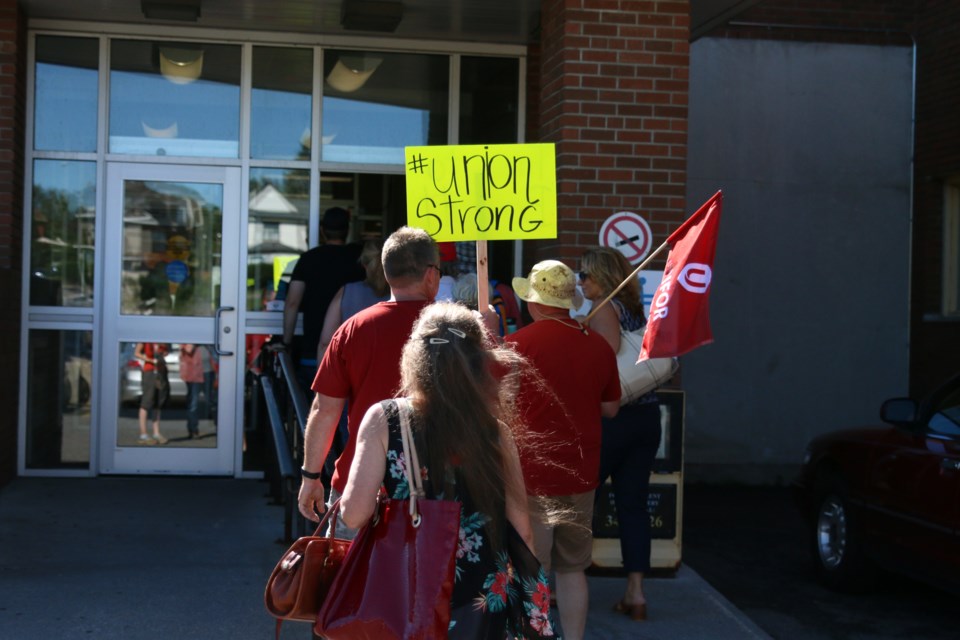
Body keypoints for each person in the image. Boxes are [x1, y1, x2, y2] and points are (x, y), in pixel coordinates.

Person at [339, 302, 557, 638]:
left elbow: (354, 515)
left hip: (408, 592)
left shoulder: (386, 418)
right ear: (478, 364)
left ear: (415, 359)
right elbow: (523, 531)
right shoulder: (496, 431)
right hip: (483, 597)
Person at [297, 226, 441, 536]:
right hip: (441, 490)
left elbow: (325, 411)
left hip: (359, 483)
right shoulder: (457, 331)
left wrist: (311, 476)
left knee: (348, 582)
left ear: (386, 272)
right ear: (431, 275)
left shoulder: (354, 329)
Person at [506, 259, 621, 640]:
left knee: (530, 569)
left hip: (533, 474)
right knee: (573, 569)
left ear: (535, 303)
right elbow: (611, 408)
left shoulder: (518, 345)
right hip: (582, 471)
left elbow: (498, 407)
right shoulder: (598, 346)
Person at [579, 246, 662, 621]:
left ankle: (571, 581)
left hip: (613, 420)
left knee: (584, 503)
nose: (580, 281)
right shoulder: (634, 310)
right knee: (633, 506)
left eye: (585, 274)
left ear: (602, 277)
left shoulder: (604, 310)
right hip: (646, 419)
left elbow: (605, 360)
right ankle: (636, 592)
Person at [281, 207, 364, 390]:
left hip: (313, 351)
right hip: (354, 353)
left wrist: (286, 342)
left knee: (314, 412)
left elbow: (292, 302)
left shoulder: (308, 259)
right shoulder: (359, 261)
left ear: (321, 230)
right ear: (348, 230)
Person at [317, 238, 390, 357]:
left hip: (351, 371)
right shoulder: (404, 294)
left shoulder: (347, 291)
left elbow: (326, 343)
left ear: (363, 263)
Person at [134, 342, 170, 445]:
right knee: (146, 402)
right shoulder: (144, 339)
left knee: (158, 403)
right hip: (149, 372)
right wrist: (149, 359)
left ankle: (156, 433)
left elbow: (165, 352)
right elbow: (136, 353)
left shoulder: (162, 340)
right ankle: (143, 434)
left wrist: (164, 353)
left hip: (160, 372)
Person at [179, 343, 205, 438]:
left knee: (194, 402)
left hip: (200, 371)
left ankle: (193, 429)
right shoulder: (189, 340)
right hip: (193, 373)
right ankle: (193, 429)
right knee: (192, 403)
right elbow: (189, 349)